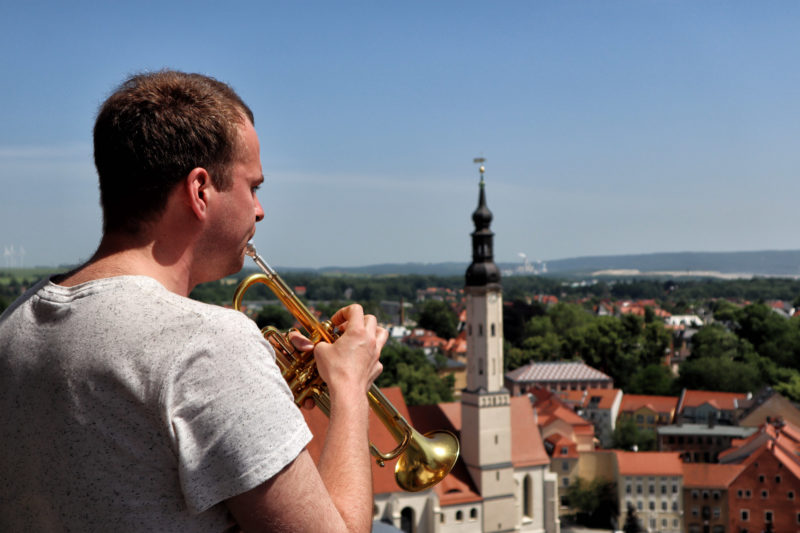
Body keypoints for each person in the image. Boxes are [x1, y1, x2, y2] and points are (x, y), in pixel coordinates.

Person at [0, 70, 387, 532]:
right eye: (253, 187)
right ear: (200, 190)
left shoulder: (15, 325)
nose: (260, 209)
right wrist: (349, 387)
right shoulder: (209, 344)